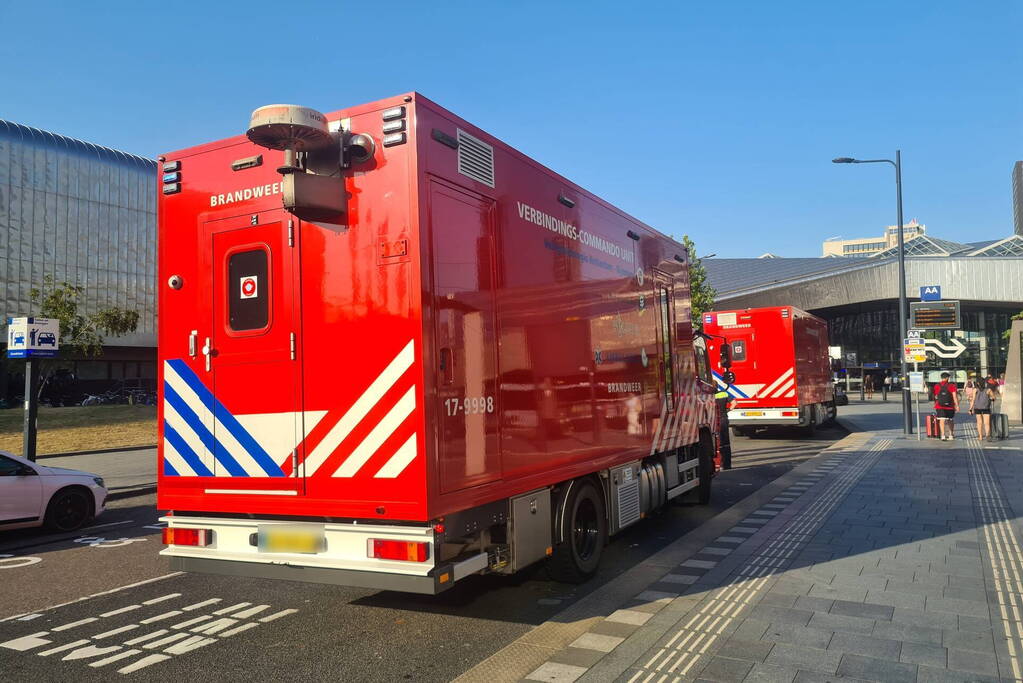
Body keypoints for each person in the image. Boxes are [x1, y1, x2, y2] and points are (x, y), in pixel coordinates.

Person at [932, 372, 959, 441]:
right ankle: (951, 435)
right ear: (947, 378)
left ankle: (943, 435)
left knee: (942, 420)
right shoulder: (952, 386)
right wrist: (957, 405)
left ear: (941, 378)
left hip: (939, 406)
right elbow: (954, 396)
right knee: (950, 420)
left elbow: (935, 396)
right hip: (950, 406)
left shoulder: (937, 386)